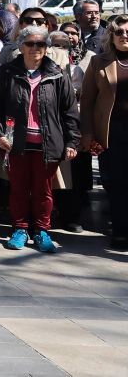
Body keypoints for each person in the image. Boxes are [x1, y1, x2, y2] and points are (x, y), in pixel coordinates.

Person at [0, 25, 79, 252]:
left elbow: (69, 111)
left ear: (47, 48)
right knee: (18, 188)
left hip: (48, 142)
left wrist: (72, 141)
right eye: (30, 43)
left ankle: (42, 230)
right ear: (21, 46)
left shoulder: (57, 73)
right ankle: (20, 229)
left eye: (41, 44)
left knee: (43, 190)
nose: (35, 48)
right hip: (16, 141)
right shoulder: (8, 72)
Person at [79, 15, 128, 249]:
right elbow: (87, 100)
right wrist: (87, 133)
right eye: (119, 32)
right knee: (116, 183)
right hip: (111, 132)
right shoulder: (98, 62)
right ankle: (120, 231)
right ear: (112, 36)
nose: (124, 36)